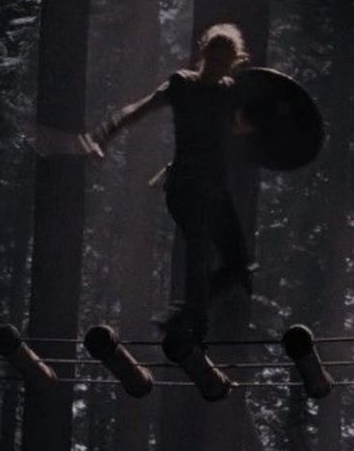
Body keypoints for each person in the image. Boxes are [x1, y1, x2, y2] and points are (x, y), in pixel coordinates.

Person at [80, 23, 255, 342]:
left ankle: (180, 317)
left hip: (214, 188)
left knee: (239, 263)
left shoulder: (230, 92)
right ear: (203, 54)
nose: (217, 67)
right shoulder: (182, 85)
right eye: (214, 60)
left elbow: (243, 128)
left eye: (224, 63)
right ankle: (195, 329)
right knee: (199, 251)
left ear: (233, 62)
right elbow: (140, 109)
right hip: (186, 186)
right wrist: (104, 133)